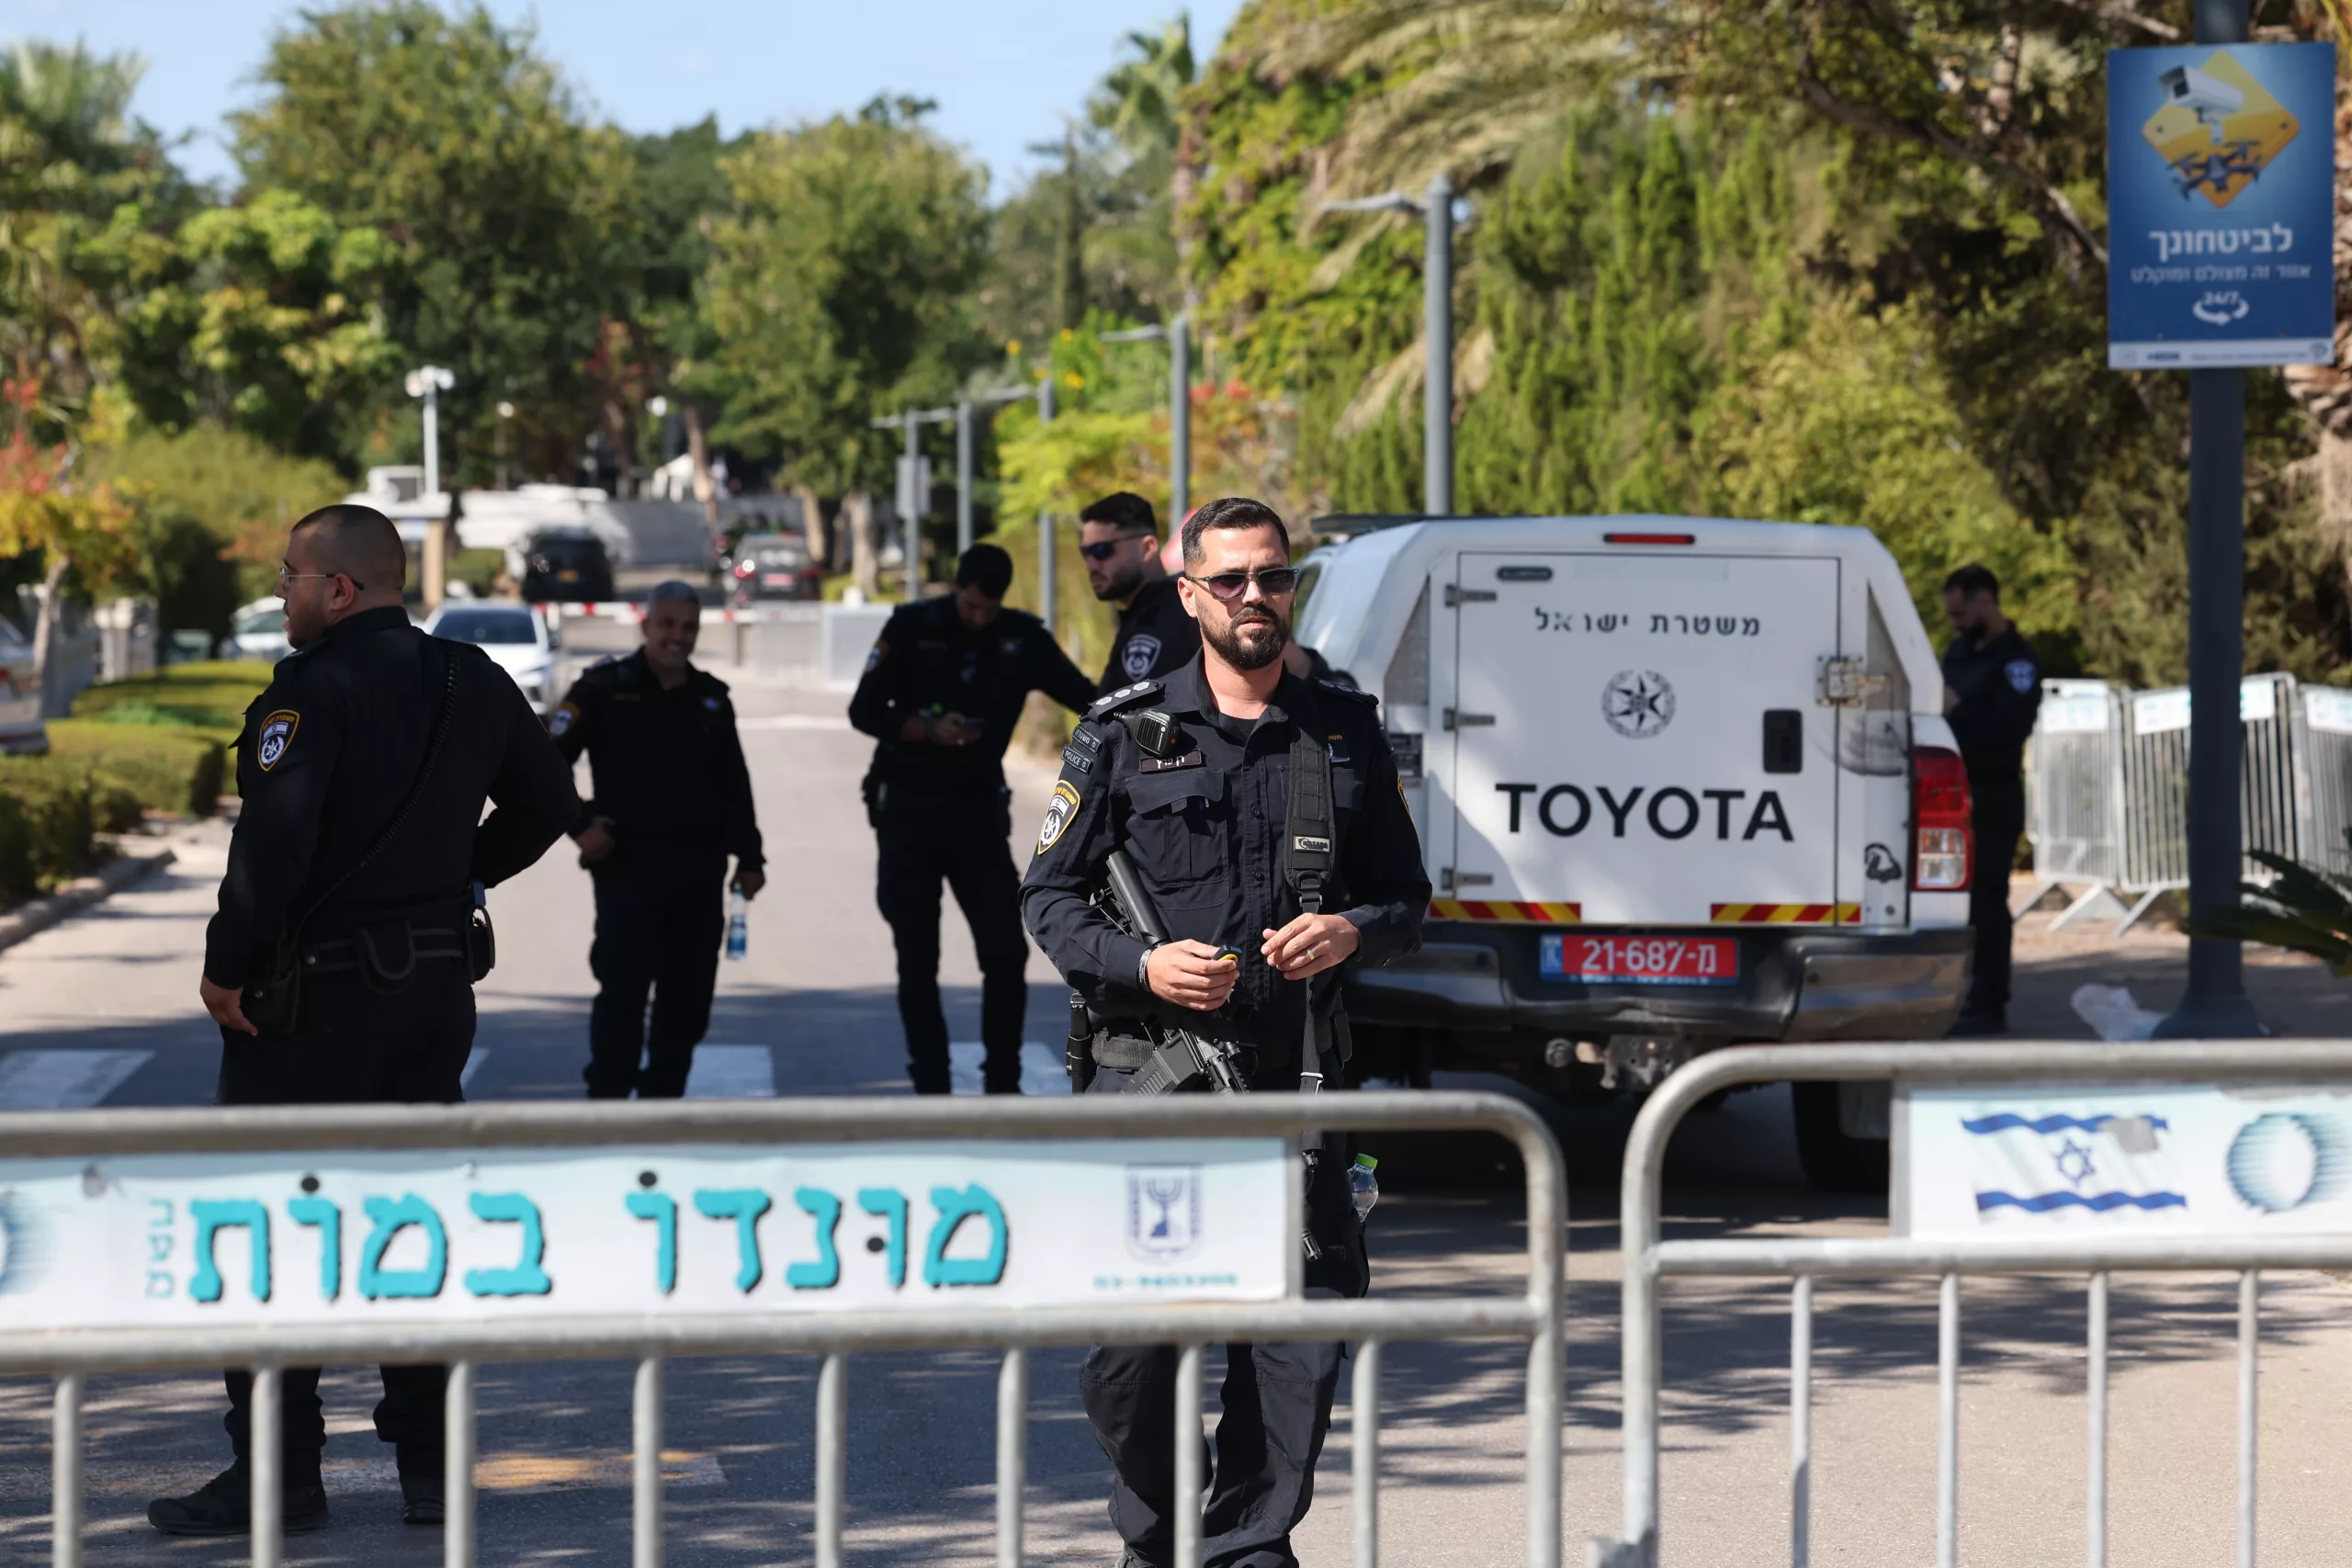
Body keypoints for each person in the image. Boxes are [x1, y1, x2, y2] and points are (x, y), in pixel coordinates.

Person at [1021, 496, 1429, 1568]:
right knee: (1128, 1355)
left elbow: (1406, 898)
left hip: (1298, 1086)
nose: (1257, 596)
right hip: (1151, 1088)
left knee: (1297, 1341)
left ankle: (1248, 1544)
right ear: (1190, 593)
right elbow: (1047, 899)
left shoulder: (1340, 728)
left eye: (1274, 577)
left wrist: (1350, 931)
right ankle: (1161, 1535)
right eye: (1234, 579)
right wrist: (1141, 964)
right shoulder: (1122, 729)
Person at [157, 504, 579, 1537]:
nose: (281, 593)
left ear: (338, 589)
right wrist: (454, 877)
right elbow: (547, 806)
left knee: (266, 1228)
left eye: (290, 576)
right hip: (432, 997)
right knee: (409, 1222)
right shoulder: (471, 677)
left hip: (312, 1003)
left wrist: (225, 968)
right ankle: (430, 1472)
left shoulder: (311, 689)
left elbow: (273, 848)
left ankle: (279, 1477)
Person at [848, 544, 1098, 1093]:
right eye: (970, 606)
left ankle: (1002, 1083)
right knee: (918, 960)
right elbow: (863, 710)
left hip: (977, 814)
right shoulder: (911, 626)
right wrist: (924, 728)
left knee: (1005, 953)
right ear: (956, 587)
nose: (979, 617)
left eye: (989, 608)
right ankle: (931, 1086)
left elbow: (1088, 698)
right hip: (908, 812)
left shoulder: (1020, 637)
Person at [551, 581, 765, 1099]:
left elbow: (734, 784)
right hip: (627, 871)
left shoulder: (712, 698)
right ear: (646, 625)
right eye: (667, 624)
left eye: (689, 627)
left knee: (687, 1005)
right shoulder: (603, 688)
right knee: (622, 998)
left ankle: (663, 1109)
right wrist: (580, 825)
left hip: (698, 874)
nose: (678, 636)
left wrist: (751, 857)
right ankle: (610, 1109)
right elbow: (546, 763)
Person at [1940, 563, 2042, 1036]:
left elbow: (2009, 729)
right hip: (1952, 791)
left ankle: (1988, 1003)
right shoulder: (1958, 653)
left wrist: (1958, 710)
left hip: (1993, 793)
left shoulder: (2017, 662)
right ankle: (1955, 995)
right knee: (1951, 900)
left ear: (1985, 601)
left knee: (1987, 900)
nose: (1955, 624)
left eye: (1960, 613)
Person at [1083, 491, 1200, 691]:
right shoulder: (1141, 614)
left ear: (1147, 548)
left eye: (1102, 550)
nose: (1091, 565)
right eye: (1085, 553)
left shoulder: (1173, 615)